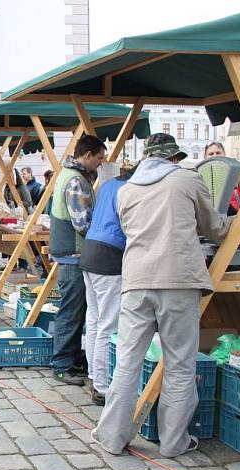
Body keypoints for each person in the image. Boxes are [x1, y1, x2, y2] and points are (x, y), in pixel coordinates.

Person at [93, 133, 233, 458]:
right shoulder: (186, 178)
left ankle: (112, 436)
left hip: (136, 281)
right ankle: (173, 443)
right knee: (180, 365)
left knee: (127, 362)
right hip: (178, 280)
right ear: (173, 158)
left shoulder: (125, 190)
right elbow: (214, 228)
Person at [49, 134, 106, 385]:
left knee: (77, 310)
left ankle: (71, 357)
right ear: (88, 155)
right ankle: (61, 363)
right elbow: (83, 222)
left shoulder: (69, 175)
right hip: (73, 253)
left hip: (71, 252)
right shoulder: (76, 180)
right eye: (100, 159)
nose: (101, 164)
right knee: (71, 312)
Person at [78, 164, 134, 405]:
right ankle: (101, 386)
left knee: (94, 319)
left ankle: (93, 375)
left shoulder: (110, 184)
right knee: (108, 324)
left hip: (90, 251)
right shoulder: (129, 189)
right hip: (109, 256)